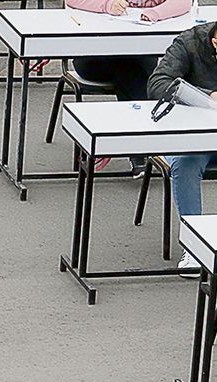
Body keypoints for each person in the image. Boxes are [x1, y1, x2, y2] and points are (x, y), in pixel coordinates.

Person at [66, 0, 186, 177]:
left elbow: (184, 3)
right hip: (95, 53)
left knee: (133, 70)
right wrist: (107, 5)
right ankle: (144, 149)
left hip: (140, 50)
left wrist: (154, 14)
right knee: (133, 72)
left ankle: (136, 148)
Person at [148, 21, 217, 271]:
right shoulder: (188, 43)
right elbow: (157, 84)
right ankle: (194, 246)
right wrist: (205, 95)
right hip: (193, 136)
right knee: (186, 161)